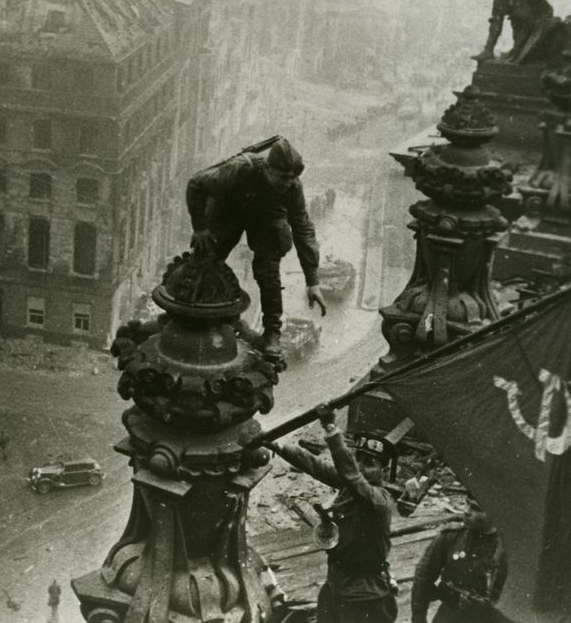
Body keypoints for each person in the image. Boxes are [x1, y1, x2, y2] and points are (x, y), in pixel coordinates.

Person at [186, 136, 325, 361]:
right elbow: (196, 183)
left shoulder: (292, 188)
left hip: (267, 215)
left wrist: (313, 280)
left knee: (269, 271)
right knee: (207, 259)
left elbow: (303, 229)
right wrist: (200, 228)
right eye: (282, 177)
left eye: (292, 178)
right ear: (268, 169)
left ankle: (272, 334)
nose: (287, 183)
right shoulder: (240, 170)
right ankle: (197, 312)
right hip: (230, 207)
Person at [264, 405, 397, 623]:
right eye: (359, 460)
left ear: (383, 471)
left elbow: (353, 478)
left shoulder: (378, 501)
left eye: (371, 464)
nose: (362, 468)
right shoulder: (351, 488)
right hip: (337, 585)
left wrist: (331, 429)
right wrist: (276, 444)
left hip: (366, 596)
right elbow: (314, 465)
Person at [410, 497, 508, 623]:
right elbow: (423, 576)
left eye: (476, 508)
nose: (467, 511)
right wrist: (419, 618)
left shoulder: (510, 550)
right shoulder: (452, 537)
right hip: (450, 616)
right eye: (467, 504)